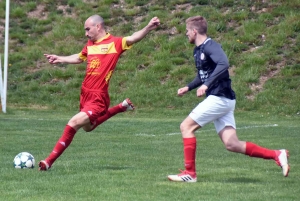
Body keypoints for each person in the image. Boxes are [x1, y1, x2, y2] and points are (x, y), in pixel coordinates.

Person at [167, 16, 289, 182]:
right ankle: (277, 154)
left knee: (186, 126)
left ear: (194, 31)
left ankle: (190, 173)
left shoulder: (211, 46)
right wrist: (189, 87)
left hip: (220, 97)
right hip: (223, 100)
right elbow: (203, 75)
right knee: (232, 144)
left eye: (187, 31)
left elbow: (223, 63)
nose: (186, 34)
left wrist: (207, 85)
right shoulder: (198, 51)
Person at [39, 15, 160, 171]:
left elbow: (133, 37)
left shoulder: (115, 43)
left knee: (73, 123)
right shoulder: (90, 44)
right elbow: (79, 57)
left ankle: (48, 162)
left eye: (87, 29)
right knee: (88, 127)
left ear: (98, 27)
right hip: (85, 94)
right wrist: (60, 58)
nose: (86, 33)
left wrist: (148, 27)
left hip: (98, 97)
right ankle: (121, 107)